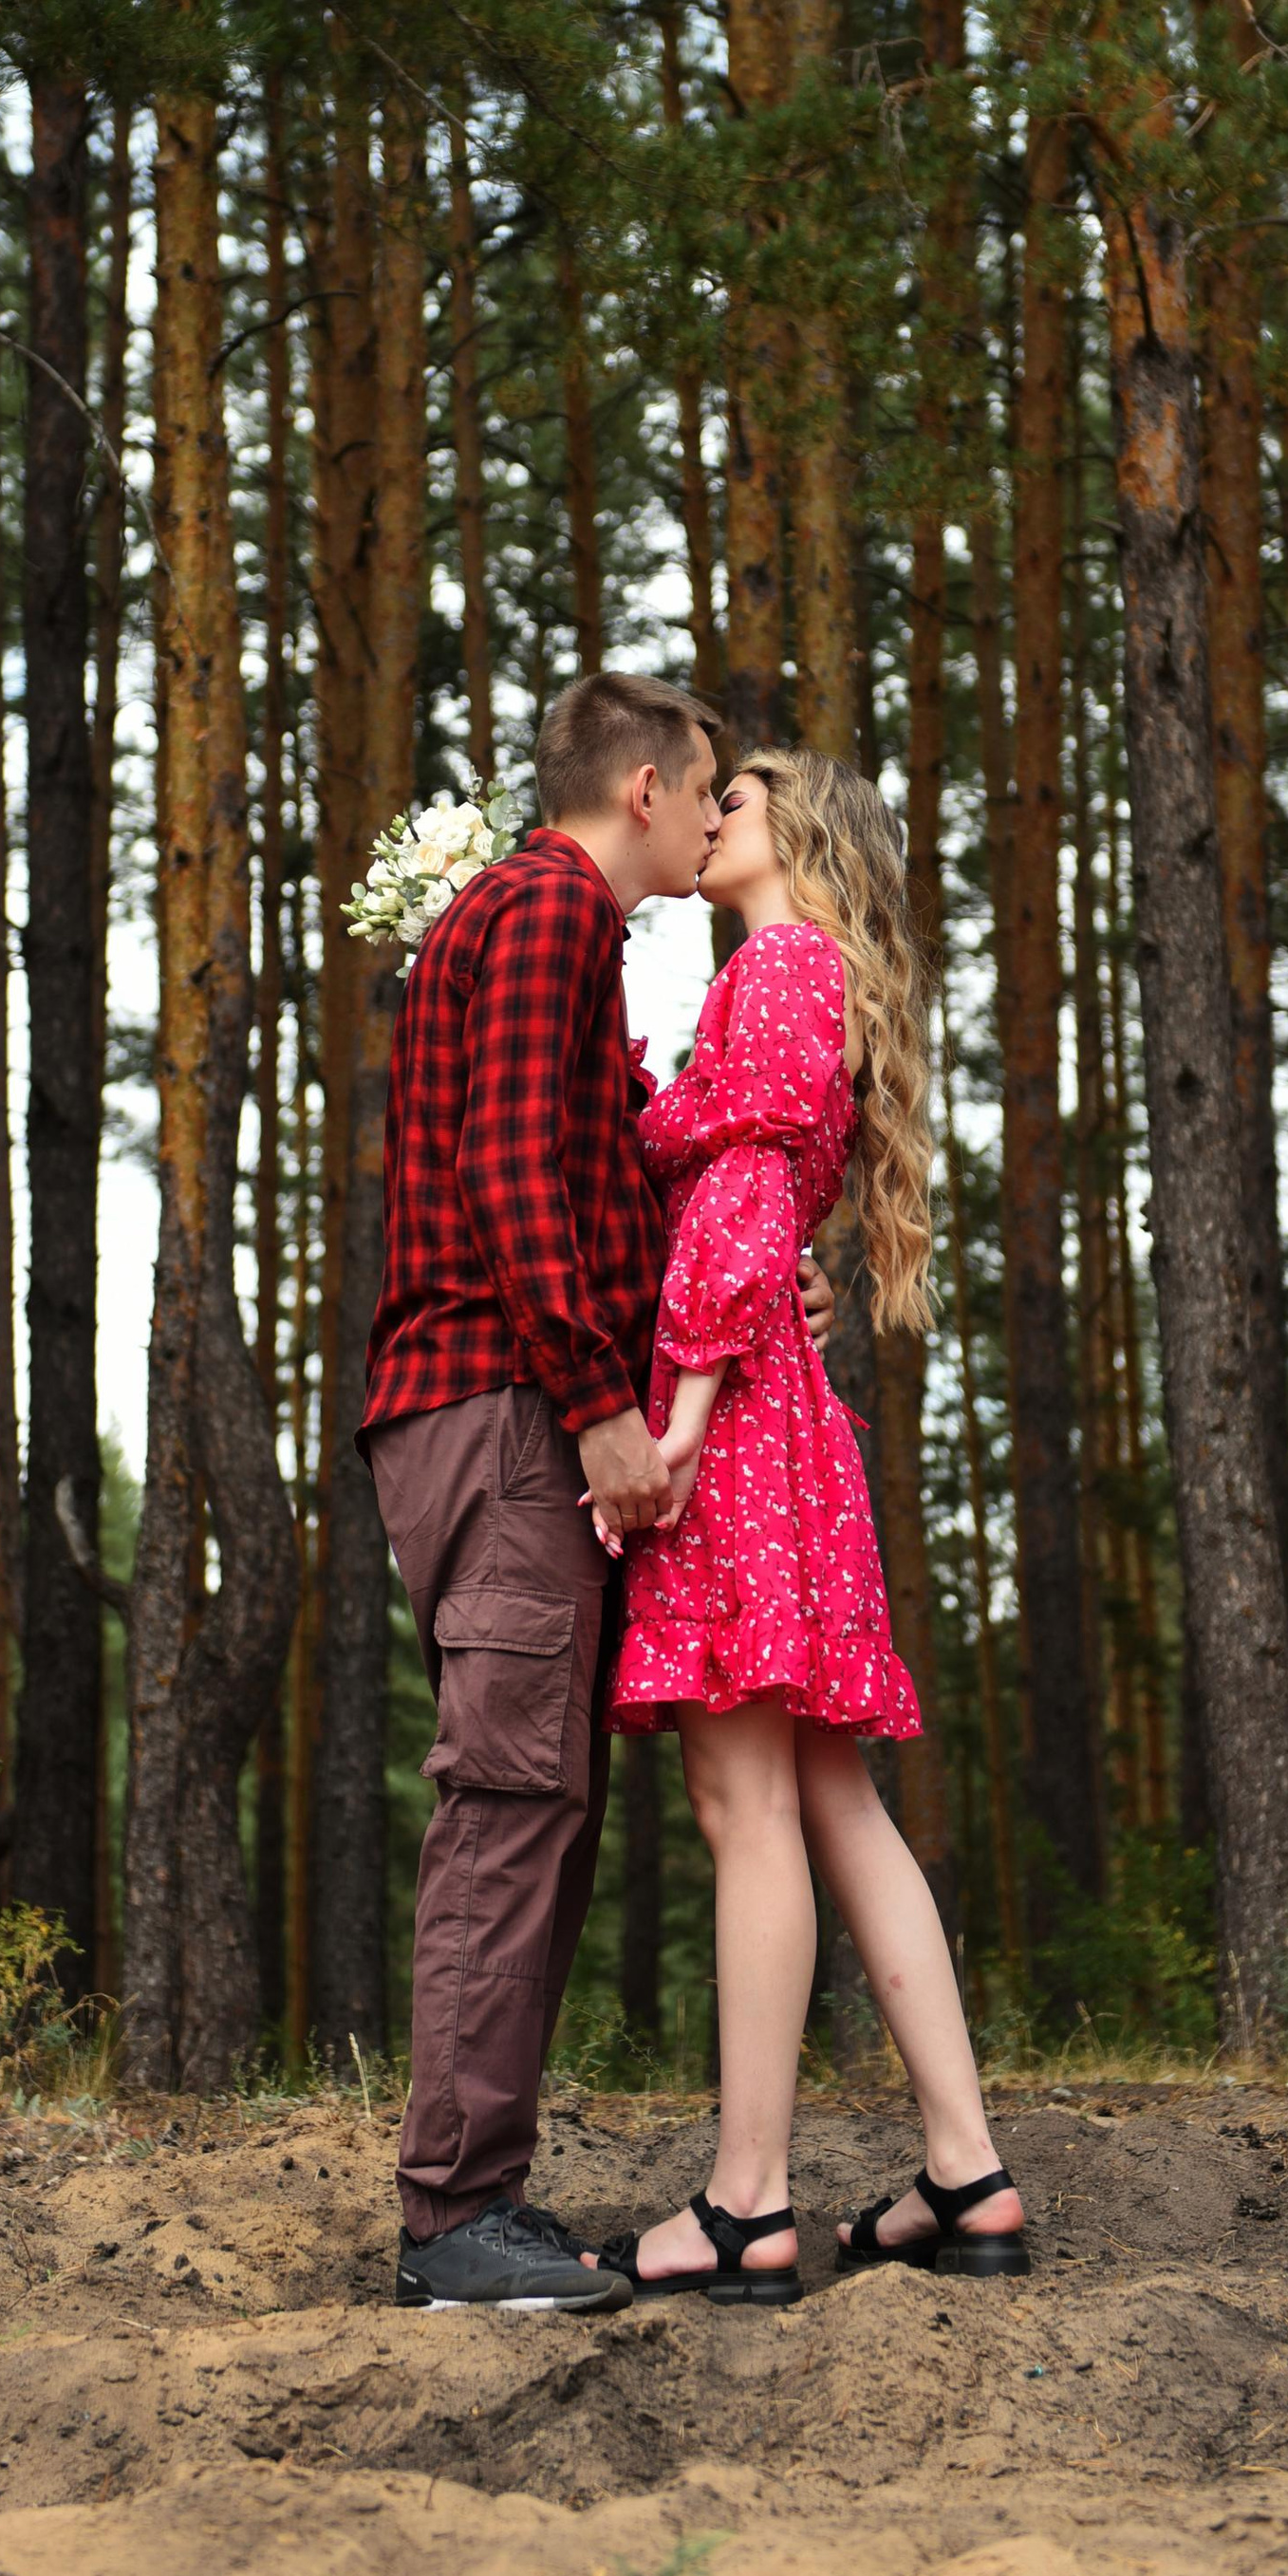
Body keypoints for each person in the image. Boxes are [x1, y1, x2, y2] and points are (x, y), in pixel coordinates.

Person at [364, 672, 836, 2313]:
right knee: (507, 1800)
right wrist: (594, 1408)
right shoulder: (550, 911)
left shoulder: (531, 926)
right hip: (498, 1413)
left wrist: (754, 1295)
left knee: (541, 1801)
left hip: (499, 1406)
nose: (720, 817)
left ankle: (480, 2202)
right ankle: (449, 2226)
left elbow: (599, 1182)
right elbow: (508, 1179)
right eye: (707, 788)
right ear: (642, 789)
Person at [587, 748, 1028, 2305]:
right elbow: (762, 1208)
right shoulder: (808, 977)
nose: (711, 818)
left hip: (741, 1430)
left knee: (748, 1810)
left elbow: (742, 1214)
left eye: (741, 800)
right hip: (792, 1427)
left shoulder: (776, 962)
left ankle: (746, 2202)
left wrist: (680, 1434)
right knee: (838, 1806)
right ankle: (968, 2174)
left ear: (804, 839)